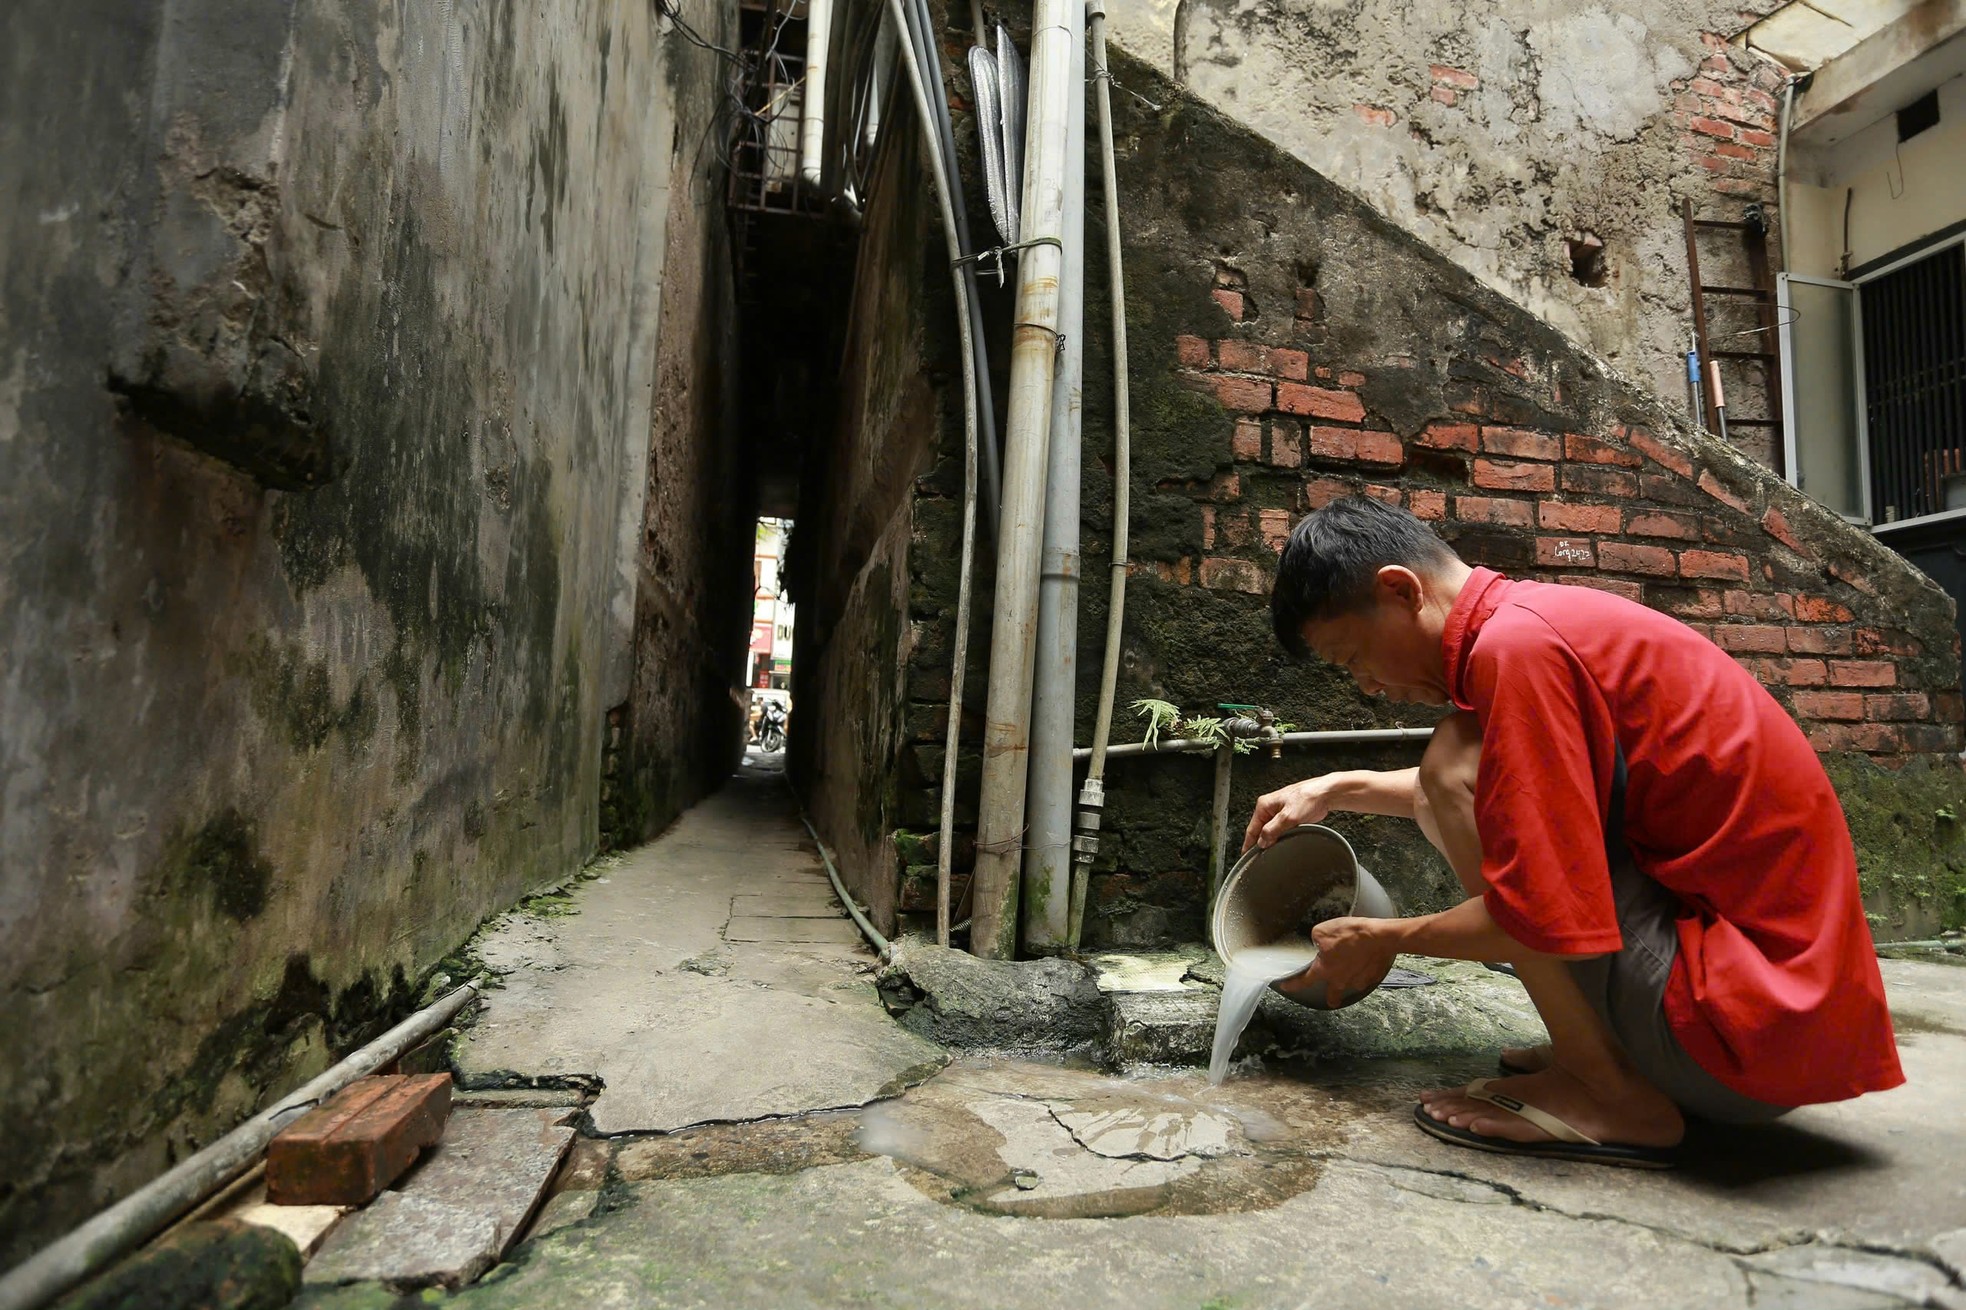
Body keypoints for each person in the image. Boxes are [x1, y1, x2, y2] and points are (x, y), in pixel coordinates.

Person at [1244, 495, 1901, 1168]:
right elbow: (1507, 800)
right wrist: (1335, 788)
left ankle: (1608, 1090)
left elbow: (1534, 908)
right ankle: (1604, 1055)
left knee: (1452, 764)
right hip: (1784, 1026)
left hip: (1740, 1038)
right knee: (1457, 769)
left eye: (1354, 657)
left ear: (1400, 589)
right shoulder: (1536, 622)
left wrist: (1383, 939)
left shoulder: (1518, 650)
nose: (1368, 685)